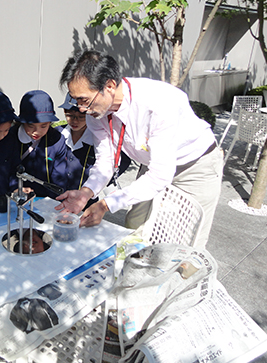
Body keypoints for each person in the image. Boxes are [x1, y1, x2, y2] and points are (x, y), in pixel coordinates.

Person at [55, 50, 223, 249]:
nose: (81, 109)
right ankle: (134, 275)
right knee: (134, 227)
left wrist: (106, 204)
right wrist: (86, 192)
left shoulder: (159, 103)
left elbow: (160, 176)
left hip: (195, 167)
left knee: (185, 244)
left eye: (84, 100)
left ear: (109, 86)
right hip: (151, 163)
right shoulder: (95, 113)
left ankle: (184, 277)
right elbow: (106, 161)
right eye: (76, 101)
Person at [57, 94, 130, 204]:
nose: (75, 121)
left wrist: (105, 180)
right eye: (70, 115)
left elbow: (123, 159)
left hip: (86, 200)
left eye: (81, 117)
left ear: (90, 114)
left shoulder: (100, 138)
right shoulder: (57, 134)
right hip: (56, 196)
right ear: (64, 111)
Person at [10, 90, 68, 198]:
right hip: (17, 195)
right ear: (22, 122)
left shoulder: (56, 139)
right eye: (31, 126)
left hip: (46, 200)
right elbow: (5, 169)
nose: (37, 131)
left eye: (43, 126)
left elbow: (59, 177)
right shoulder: (10, 137)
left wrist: (53, 202)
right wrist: (14, 187)